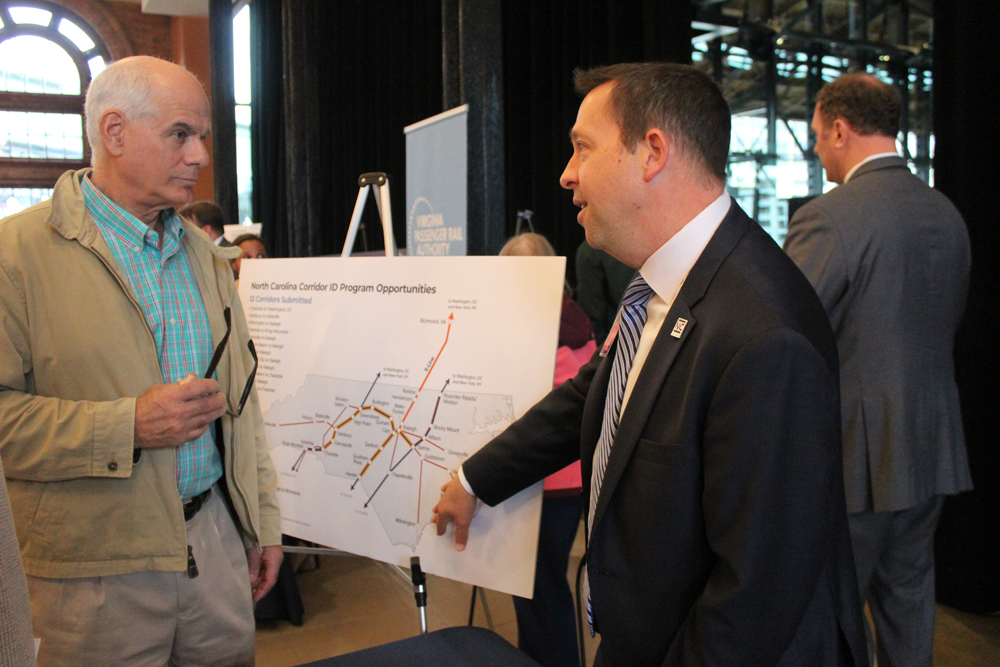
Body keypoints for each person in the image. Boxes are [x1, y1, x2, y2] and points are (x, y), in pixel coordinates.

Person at [433, 62, 867, 667]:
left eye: (583, 148)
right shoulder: (666, 287)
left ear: (652, 153)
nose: (567, 175)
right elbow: (596, 393)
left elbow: (756, 597)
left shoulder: (764, 334)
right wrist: (477, 479)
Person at [0, 56, 282, 667]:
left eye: (202, 137)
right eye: (181, 134)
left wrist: (261, 525)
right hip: (90, 573)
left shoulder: (208, 260)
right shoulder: (14, 257)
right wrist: (127, 425)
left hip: (215, 550)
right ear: (114, 132)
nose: (201, 156)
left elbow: (242, 408)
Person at [783, 73, 972, 667]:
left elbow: (786, 330)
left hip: (854, 457)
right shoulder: (947, 214)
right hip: (932, 445)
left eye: (816, 135)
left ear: (840, 129)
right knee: (909, 602)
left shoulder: (829, 218)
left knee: (831, 614)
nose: (816, 148)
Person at [500, 232, 596, 667]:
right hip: (570, 479)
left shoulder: (529, 327)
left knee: (538, 590)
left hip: (538, 478)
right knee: (544, 586)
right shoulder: (576, 318)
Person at [574, 240, 634, 343]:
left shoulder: (591, 250)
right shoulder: (646, 242)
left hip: (616, 343)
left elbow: (591, 309)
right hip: (654, 335)